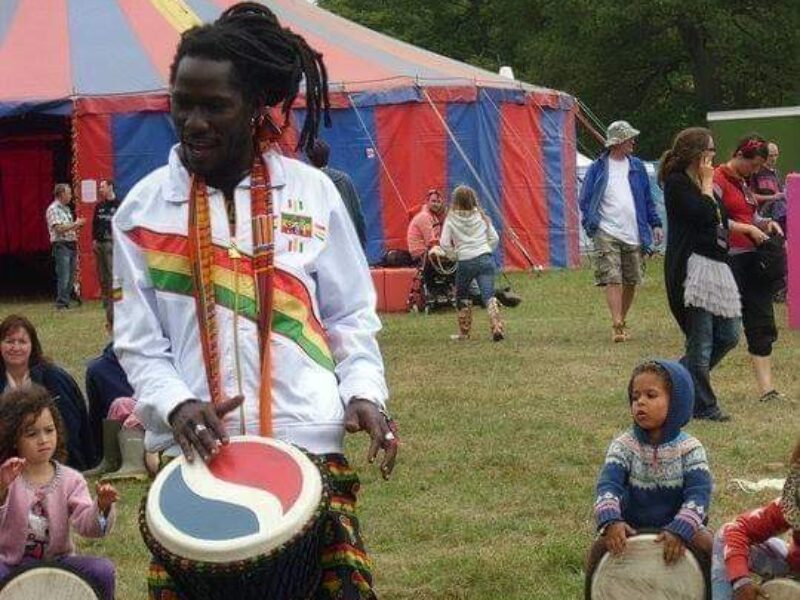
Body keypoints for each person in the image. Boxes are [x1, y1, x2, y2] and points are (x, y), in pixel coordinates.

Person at [111, 4, 398, 598]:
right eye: (181, 102)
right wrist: (176, 405)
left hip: (307, 450)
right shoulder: (141, 213)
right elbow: (139, 343)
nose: (193, 121)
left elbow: (349, 316)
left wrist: (365, 393)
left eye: (214, 106)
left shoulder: (313, 194)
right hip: (198, 459)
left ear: (254, 108)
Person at [588, 360, 712, 574]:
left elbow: (699, 496)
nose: (640, 403)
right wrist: (610, 520)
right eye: (635, 397)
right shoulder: (624, 446)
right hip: (631, 526)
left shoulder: (691, 449)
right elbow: (607, 486)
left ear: (676, 403)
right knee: (598, 549)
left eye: (651, 395)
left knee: (709, 545)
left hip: (679, 525)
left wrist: (681, 528)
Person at [0, 384, 118, 600]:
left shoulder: (71, 480)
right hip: (10, 564)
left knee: (103, 570)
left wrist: (101, 506)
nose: (43, 439)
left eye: (49, 430)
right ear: (13, 439)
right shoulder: (6, 475)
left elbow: (88, 527)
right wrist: (2, 488)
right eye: (31, 433)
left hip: (59, 562)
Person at [660, 127, 742, 422]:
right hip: (691, 270)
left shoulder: (702, 181)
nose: (713, 155)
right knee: (701, 340)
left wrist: (750, 228)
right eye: (710, 150)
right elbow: (704, 214)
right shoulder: (677, 183)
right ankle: (704, 405)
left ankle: (669, 379)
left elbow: (721, 218)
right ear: (697, 153)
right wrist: (708, 183)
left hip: (716, 268)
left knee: (730, 334)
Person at [714, 135, 785, 403]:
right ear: (740, 156)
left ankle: (767, 389)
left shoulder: (743, 183)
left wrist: (765, 223)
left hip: (753, 260)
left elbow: (749, 214)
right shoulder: (717, 181)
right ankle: (695, 379)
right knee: (724, 328)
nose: (755, 172)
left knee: (761, 321)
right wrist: (748, 228)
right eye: (753, 165)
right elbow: (715, 220)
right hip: (729, 260)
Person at [579, 120, 664, 342]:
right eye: (629, 138)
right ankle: (616, 322)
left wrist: (655, 223)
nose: (633, 141)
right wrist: (592, 222)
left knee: (631, 279)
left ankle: (622, 319)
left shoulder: (636, 167)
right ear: (617, 142)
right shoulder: (598, 167)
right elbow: (585, 199)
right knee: (612, 276)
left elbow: (647, 199)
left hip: (634, 231)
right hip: (606, 230)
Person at [0, 314, 94, 470]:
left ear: (33, 345)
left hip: (56, 461)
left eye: (22, 342)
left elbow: (69, 429)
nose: (15, 347)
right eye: (9, 341)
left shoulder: (54, 378)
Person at [710, 439, 800, 599]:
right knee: (726, 536)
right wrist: (741, 580)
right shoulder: (790, 504)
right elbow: (737, 529)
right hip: (794, 566)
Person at [432, 184, 503, 341]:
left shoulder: (451, 218)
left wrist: (454, 255)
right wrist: (486, 249)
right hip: (485, 258)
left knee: (462, 296)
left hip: (465, 260)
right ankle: (496, 327)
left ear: (455, 200)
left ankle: (464, 333)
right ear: (473, 199)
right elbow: (495, 238)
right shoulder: (482, 216)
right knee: (488, 295)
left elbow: (444, 243)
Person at [306, 138, 367, 251]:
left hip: (320, 246)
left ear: (309, 158)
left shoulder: (306, 182)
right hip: (346, 241)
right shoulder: (344, 179)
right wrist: (361, 245)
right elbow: (357, 215)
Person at [45, 183, 85, 310]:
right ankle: (61, 304)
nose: (70, 196)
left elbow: (68, 227)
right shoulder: (53, 209)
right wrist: (75, 224)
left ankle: (67, 300)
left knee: (71, 275)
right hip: (61, 244)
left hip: (71, 243)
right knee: (64, 275)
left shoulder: (66, 209)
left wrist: (76, 226)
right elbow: (58, 229)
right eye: (68, 193)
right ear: (61, 194)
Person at [92, 179, 121, 308]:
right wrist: (94, 240)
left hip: (112, 244)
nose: (100, 189)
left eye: (102, 187)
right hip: (100, 244)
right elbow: (94, 224)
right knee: (103, 276)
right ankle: (107, 301)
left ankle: (118, 299)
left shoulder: (119, 204)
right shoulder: (99, 206)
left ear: (110, 187)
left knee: (114, 274)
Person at [407, 188, 446, 262]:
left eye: (439, 202)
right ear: (427, 202)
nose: (436, 204)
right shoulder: (424, 216)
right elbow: (431, 242)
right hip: (420, 255)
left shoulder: (433, 217)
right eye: (433, 201)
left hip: (427, 252)